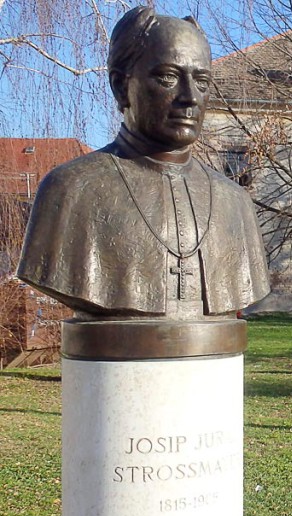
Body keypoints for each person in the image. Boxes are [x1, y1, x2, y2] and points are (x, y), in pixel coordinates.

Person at [17, 6, 269, 319]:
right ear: (121, 86)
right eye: (168, 77)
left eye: (202, 81)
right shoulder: (71, 190)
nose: (190, 97)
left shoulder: (236, 203)